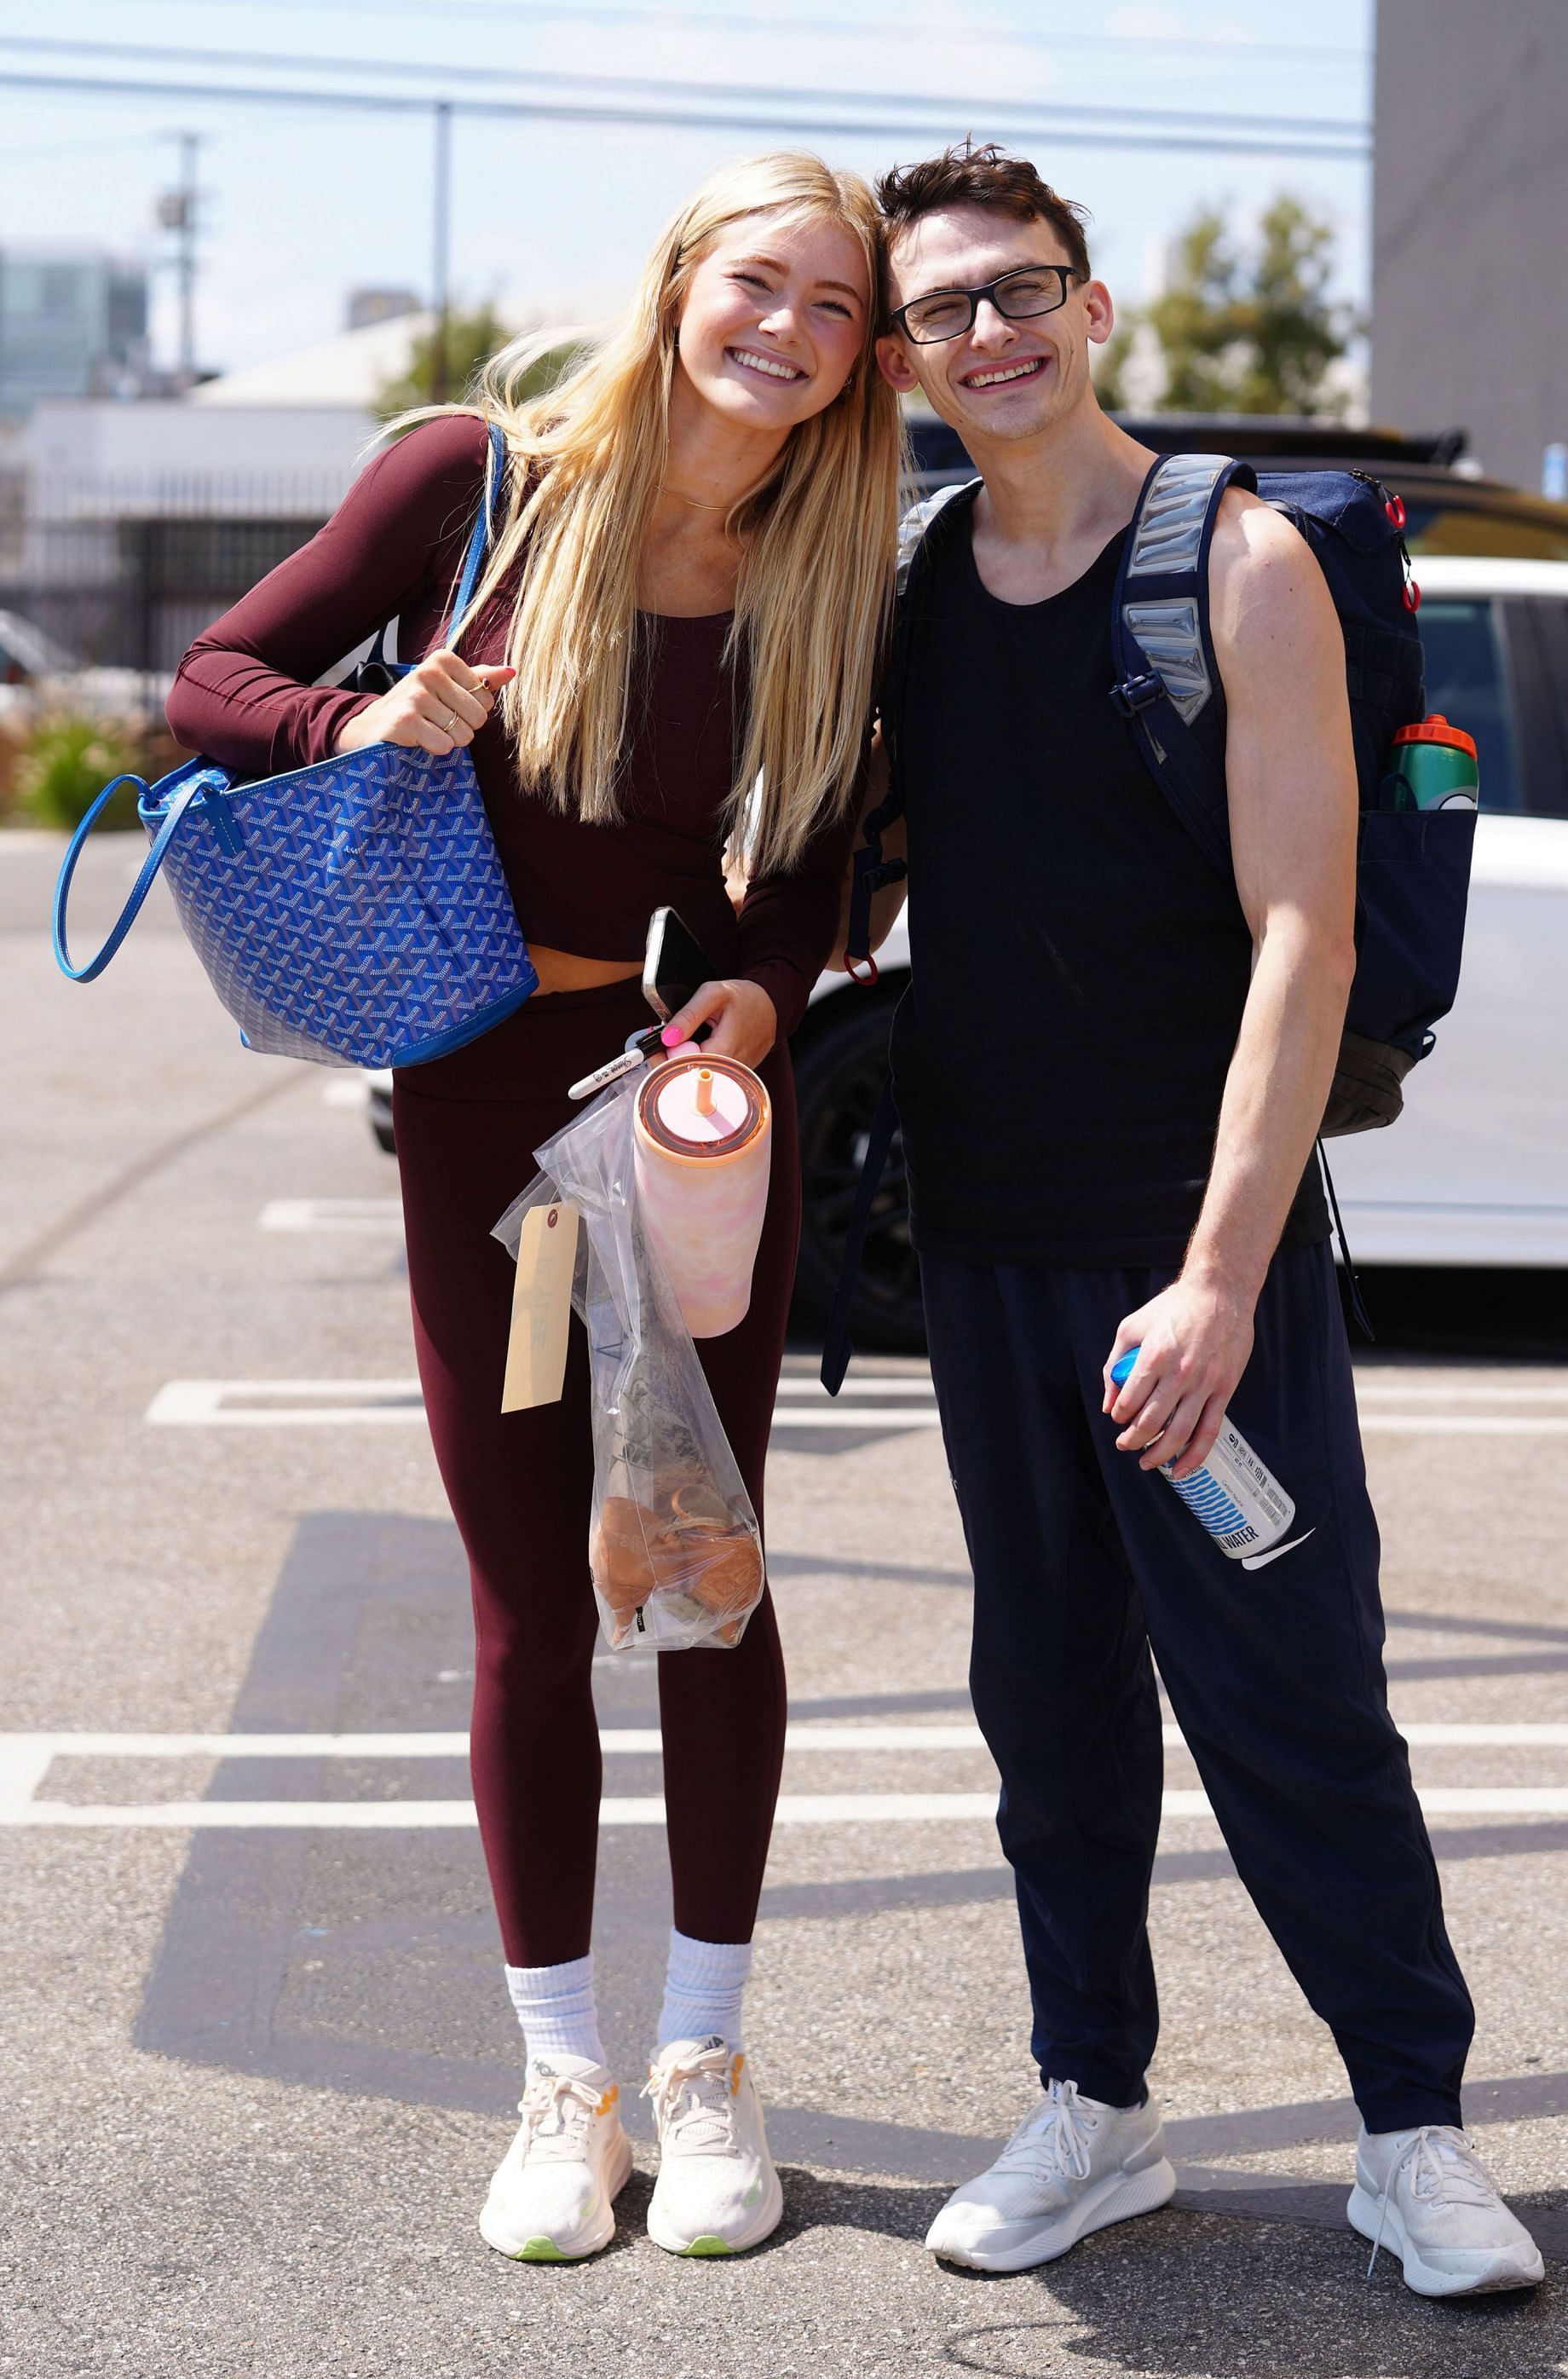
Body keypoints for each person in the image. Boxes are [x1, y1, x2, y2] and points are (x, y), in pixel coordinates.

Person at [167, 151, 899, 2265]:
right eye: (762, 283)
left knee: (703, 1570)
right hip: (486, 1101)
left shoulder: (829, 560)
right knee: (521, 1598)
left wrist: (771, 982)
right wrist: (362, 710)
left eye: (834, 308)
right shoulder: (476, 481)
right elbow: (217, 684)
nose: (790, 329)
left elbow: (834, 849)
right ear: (684, 282)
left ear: (858, 356)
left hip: (684, 1110)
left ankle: (709, 2062)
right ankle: (562, 2078)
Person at [845, 141, 1543, 2297]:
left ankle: (1413, 2132)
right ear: (897, 357)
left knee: (1290, 1692)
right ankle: (1097, 2104)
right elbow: (890, 880)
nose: (995, 328)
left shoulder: (1234, 562)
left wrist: (1223, 1276)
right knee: (1046, 1701)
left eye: (1026, 285)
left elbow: (1303, 929)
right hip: (984, 1239)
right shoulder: (916, 585)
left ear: (1097, 303)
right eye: (948, 307)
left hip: (1190, 1262)